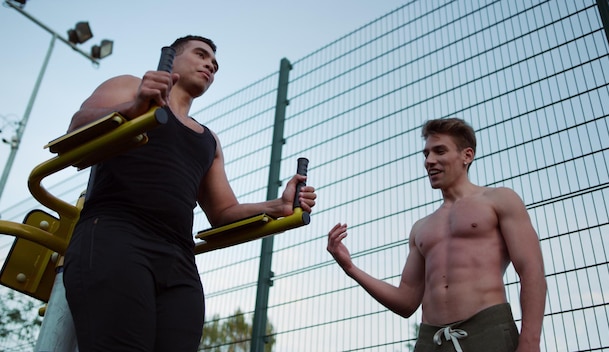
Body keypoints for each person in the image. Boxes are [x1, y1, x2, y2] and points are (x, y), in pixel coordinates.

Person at [62, 35, 317, 352]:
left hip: (179, 259)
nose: (210, 64)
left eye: (215, 63)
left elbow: (223, 211)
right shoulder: (130, 86)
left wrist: (278, 206)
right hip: (115, 237)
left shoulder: (208, 139)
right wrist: (134, 107)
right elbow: (76, 128)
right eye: (201, 54)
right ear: (174, 58)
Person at [327, 117, 546, 352]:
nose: (429, 161)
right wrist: (351, 268)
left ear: (467, 155)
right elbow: (406, 301)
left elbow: (531, 271)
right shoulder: (421, 228)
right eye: (426, 154)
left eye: (439, 151)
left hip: (488, 332)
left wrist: (529, 342)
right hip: (431, 341)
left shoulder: (499, 200)